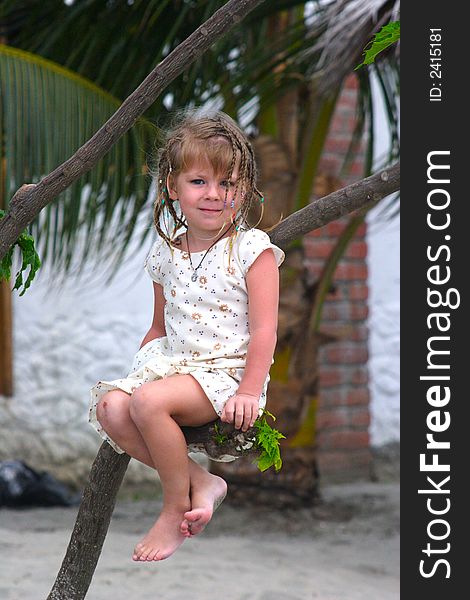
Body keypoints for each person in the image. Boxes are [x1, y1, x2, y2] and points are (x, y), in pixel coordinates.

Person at [88, 110, 285, 562]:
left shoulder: (252, 249)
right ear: (172, 188)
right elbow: (159, 326)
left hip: (227, 373)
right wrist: (137, 376)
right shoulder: (164, 252)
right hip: (176, 366)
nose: (214, 195)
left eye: (228, 183)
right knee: (113, 406)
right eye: (199, 182)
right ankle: (202, 482)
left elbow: (265, 330)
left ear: (245, 188)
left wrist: (251, 391)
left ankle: (174, 505)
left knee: (148, 402)